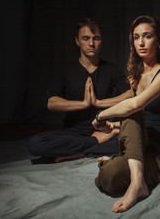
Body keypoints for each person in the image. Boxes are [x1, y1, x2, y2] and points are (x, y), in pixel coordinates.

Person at [91, 16, 160, 213]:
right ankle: (129, 170)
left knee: (111, 175)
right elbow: (136, 116)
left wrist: (100, 117)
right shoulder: (136, 75)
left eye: (147, 36)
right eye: (136, 37)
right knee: (107, 179)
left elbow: (136, 105)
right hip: (142, 143)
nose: (140, 42)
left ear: (159, 40)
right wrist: (115, 126)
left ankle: (137, 183)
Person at [27, 17, 133, 163]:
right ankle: (93, 145)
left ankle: (79, 152)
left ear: (101, 41)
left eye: (96, 38)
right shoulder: (66, 70)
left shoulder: (110, 70)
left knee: (133, 140)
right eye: (85, 38)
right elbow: (49, 101)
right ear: (77, 41)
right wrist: (83, 104)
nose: (91, 43)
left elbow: (131, 93)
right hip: (73, 132)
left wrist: (99, 102)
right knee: (35, 144)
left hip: (104, 129)